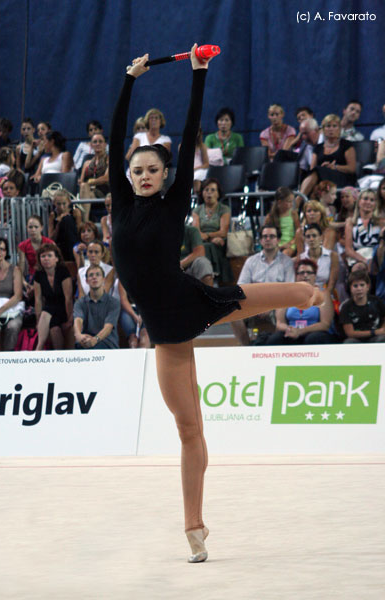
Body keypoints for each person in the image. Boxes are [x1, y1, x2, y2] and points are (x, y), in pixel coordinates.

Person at [109, 46, 322, 563]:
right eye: (136, 169)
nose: (141, 175)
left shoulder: (175, 197)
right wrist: (129, 79)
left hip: (189, 299)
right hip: (165, 327)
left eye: (150, 170)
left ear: (165, 175)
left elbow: (187, 133)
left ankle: (310, 290)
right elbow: (117, 136)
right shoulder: (119, 196)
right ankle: (198, 527)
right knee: (190, 428)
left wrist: (199, 74)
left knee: (269, 297)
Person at [231, 224, 295, 345]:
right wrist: (257, 306)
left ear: (278, 240)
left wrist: (270, 306)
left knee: (284, 309)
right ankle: (247, 348)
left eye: (272, 236)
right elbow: (241, 288)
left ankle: (276, 347)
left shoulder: (287, 262)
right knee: (233, 313)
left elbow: (289, 291)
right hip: (254, 306)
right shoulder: (251, 261)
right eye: (265, 236)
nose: (268, 239)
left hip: (278, 307)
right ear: (260, 240)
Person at [266, 259, 338, 345]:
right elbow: (279, 323)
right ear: (296, 276)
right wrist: (290, 330)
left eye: (309, 272)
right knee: (275, 339)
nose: (305, 275)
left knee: (313, 339)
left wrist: (300, 331)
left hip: (315, 332)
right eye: (301, 273)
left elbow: (325, 324)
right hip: (291, 331)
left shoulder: (323, 294)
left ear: (315, 276)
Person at [300, 114, 356, 196]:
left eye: (334, 126)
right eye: (328, 126)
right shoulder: (318, 148)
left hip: (341, 179)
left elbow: (352, 168)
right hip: (322, 181)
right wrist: (324, 169)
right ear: (323, 129)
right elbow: (312, 169)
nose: (331, 129)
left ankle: (299, 199)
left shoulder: (347, 145)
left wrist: (335, 167)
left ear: (340, 129)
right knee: (316, 173)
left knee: (318, 171)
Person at [0, 237, 23, 351]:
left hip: (12, 310)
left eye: (1, 249)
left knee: (13, 326)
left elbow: (18, 296)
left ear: (6, 252)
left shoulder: (15, 270)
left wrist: (0, 311)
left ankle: (9, 358)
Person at [192, 177, 232, 283]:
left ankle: (212, 277)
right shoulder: (197, 210)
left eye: (213, 190)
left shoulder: (224, 209)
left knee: (211, 245)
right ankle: (209, 277)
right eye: (206, 190)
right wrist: (209, 238)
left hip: (220, 242)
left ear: (218, 194)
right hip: (203, 241)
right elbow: (196, 231)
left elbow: (223, 231)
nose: (209, 193)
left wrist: (208, 236)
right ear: (202, 193)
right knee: (205, 246)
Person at [34, 243, 73, 350]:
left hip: (63, 307)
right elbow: (38, 299)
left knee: (47, 314)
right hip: (49, 308)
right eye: (43, 256)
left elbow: (68, 298)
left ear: (56, 258)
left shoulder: (63, 271)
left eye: (49, 256)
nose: (46, 258)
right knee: (53, 328)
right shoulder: (38, 274)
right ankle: (48, 350)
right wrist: (38, 320)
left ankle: (39, 348)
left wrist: (70, 319)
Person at [74, 264, 120, 349]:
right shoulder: (80, 303)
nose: (94, 277)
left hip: (107, 343)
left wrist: (95, 340)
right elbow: (78, 320)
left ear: (103, 279)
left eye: (98, 275)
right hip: (86, 341)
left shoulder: (113, 302)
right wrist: (79, 335)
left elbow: (108, 327)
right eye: (91, 275)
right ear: (87, 281)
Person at [339, 270, 385, 343]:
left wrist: (383, 329)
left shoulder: (376, 301)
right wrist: (374, 332)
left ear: (368, 286)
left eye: (362, 285)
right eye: (355, 286)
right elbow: (350, 333)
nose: (359, 288)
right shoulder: (346, 307)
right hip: (357, 339)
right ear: (350, 288)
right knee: (349, 342)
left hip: (376, 338)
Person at [18, 215, 55, 294]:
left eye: (36, 227)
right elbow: (20, 269)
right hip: (32, 277)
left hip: (49, 275)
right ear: (27, 228)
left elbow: (56, 265)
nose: (33, 230)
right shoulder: (22, 246)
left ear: (41, 227)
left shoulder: (50, 243)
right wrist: (24, 283)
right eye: (30, 227)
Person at [344, 189, 382, 267]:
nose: (368, 202)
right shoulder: (351, 222)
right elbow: (348, 250)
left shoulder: (381, 222)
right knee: (360, 268)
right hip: (357, 258)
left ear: (375, 204)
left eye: (372, 200)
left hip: (377, 257)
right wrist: (365, 261)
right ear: (358, 202)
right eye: (365, 199)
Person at [78, 132, 109, 221]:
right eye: (95, 142)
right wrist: (84, 183)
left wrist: (91, 182)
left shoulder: (109, 160)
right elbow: (81, 181)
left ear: (105, 144)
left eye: (100, 141)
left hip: (104, 193)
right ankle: (86, 221)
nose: (97, 144)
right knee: (83, 187)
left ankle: (84, 222)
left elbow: (106, 178)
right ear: (91, 145)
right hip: (89, 193)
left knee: (85, 187)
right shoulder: (86, 163)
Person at [299, 224, 339, 293]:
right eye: (308, 237)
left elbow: (331, 285)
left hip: (326, 294)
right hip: (306, 294)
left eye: (314, 236)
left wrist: (322, 297)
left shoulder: (332, 256)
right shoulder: (301, 258)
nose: (311, 239)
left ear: (321, 237)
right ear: (305, 239)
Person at [264, 186, 300, 257]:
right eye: (289, 201)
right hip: (275, 244)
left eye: (292, 201)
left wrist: (290, 243)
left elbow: (298, 232)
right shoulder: (270, 216)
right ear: (280, 202)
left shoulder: (293, 214)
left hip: (290, 244)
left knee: (284, 255)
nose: (291, 204)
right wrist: (276, 245)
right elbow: (265, 233)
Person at [48, 189, 79, 262]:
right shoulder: (53, 215)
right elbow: (51, 238)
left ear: (69, 202)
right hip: (60, 244)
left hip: (73, 244)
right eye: (58, 204)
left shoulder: (75, 212)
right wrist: (59, 224)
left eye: (64, 203)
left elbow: (79, 232)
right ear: (54, 203)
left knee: (67, 220)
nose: (61, 207)